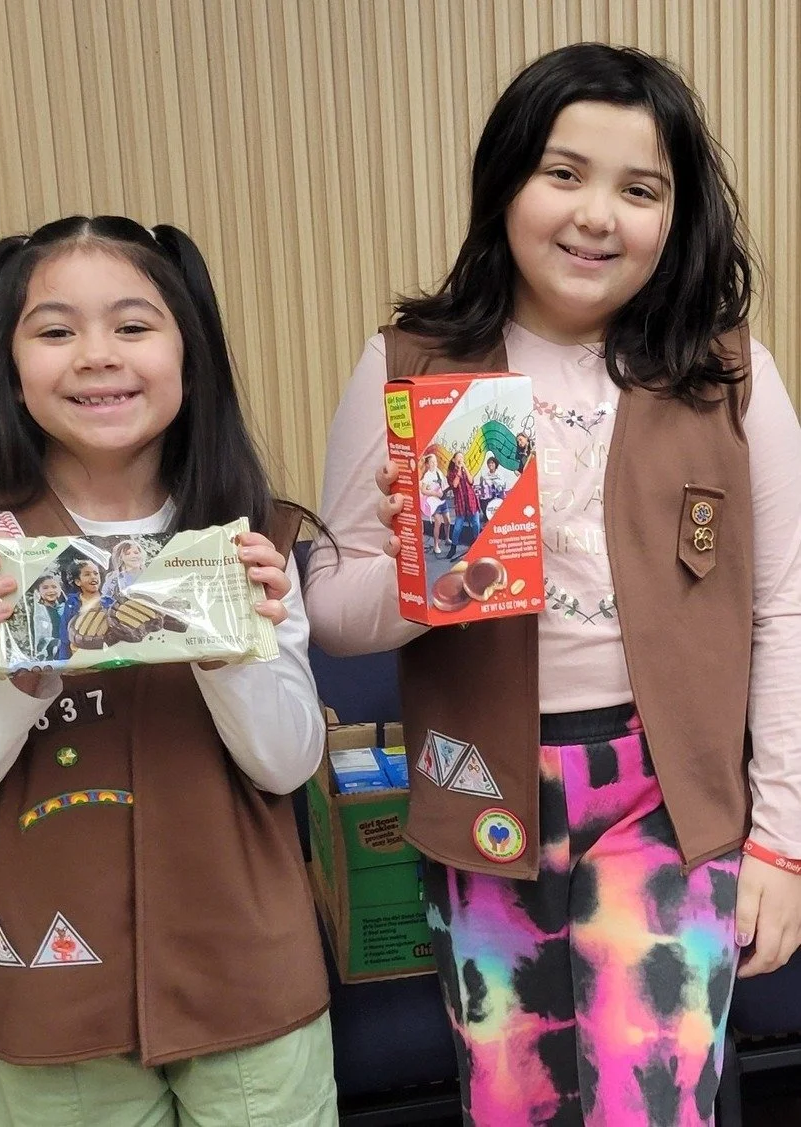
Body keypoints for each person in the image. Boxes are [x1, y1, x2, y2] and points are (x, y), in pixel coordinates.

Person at [304, 43, 801, 1127]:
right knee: (508, 1099)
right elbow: (333, 609)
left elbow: (782, 608)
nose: (595, 215)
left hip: (665, 799)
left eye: (639, 188)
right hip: (480, 787)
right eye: (561, 173)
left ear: (674, 217)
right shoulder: (412, 363)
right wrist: (421, 571)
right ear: (505, 185)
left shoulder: (726, 371)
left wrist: (780, 841)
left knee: (651, 1101)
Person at [0, 215, 337, 1126]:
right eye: (55, 330)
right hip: (52, 994)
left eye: (134, 326)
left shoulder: (254, 534)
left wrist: (233, 650)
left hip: (250, 984)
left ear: (191, 353)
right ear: (9, 364)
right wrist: (7, 672)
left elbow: (288, 762)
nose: (97, 355)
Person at [57, 556, 104, 659]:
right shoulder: (71, 604)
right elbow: (65, 637)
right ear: (78, 582)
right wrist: (63, 663)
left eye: (96, 573)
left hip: (101, 658)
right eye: (87, 574)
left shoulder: (109, 603)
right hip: (78, 659)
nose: (93, 577)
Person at [445, 451, 481, 561]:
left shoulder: (465, 469)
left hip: (471, 500)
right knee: (457, 527)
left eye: (462, 457)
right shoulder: (451, 473)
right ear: (454, 460)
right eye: (459, 457)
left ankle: (477, 544)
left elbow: (471, 481)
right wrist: (459, 472)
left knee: (476, 523)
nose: (461, 459)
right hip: (460, 501)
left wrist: (464, 467)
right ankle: (453, 547)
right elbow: (454, 485)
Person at [419, 452, 450, 554]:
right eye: (432, 462)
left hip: (442, 500)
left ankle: (447, 538)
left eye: (435, 462)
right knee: (438, 522)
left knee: (448, 521)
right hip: (434, 502)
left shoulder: (439, 472)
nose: (434, 464)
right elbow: (423, 490)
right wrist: (435, 493)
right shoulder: (427, 476)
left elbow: (443, 484)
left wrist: (445, 490)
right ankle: (436, 545)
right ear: (427, 464)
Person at [31, 570, 65, 660]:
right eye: (45, 588)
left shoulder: (66, 608)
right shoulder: (38, 612)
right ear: (38, 591)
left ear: (60, 590)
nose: (50, 591)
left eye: (54, 587)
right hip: (48, 654)